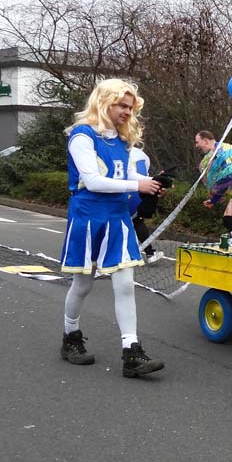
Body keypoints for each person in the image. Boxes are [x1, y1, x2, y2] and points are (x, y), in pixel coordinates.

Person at [58, 78, 165, 378]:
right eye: (122, 105)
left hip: (117, 218)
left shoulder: (121, 139)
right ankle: (70, 336)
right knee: (83, 284)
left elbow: (125, 174)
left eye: (130, 107)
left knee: (125, 285)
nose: (128, 112)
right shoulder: (82, 136)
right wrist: (137, 185)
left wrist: (150, 184)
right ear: (104, 102)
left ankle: (132, 351)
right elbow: (92, 181)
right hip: (89, 217)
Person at [128, 146, 166, 265]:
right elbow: (143, 175)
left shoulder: (117, 150)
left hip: (125, 191)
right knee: (137, 221)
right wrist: (156, 181)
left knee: (128, 222)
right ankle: (149, 253)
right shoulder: (144, 156)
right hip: (138, 193)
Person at [195, 130, 232, 231]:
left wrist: (215, 192)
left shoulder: (221, 153)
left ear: (205, 141)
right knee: (230, 220)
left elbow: (229, 177)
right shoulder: (219, 152)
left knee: (230, 220)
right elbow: (228, 178)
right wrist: (214, 199)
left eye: (197, 142)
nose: (196, 146)